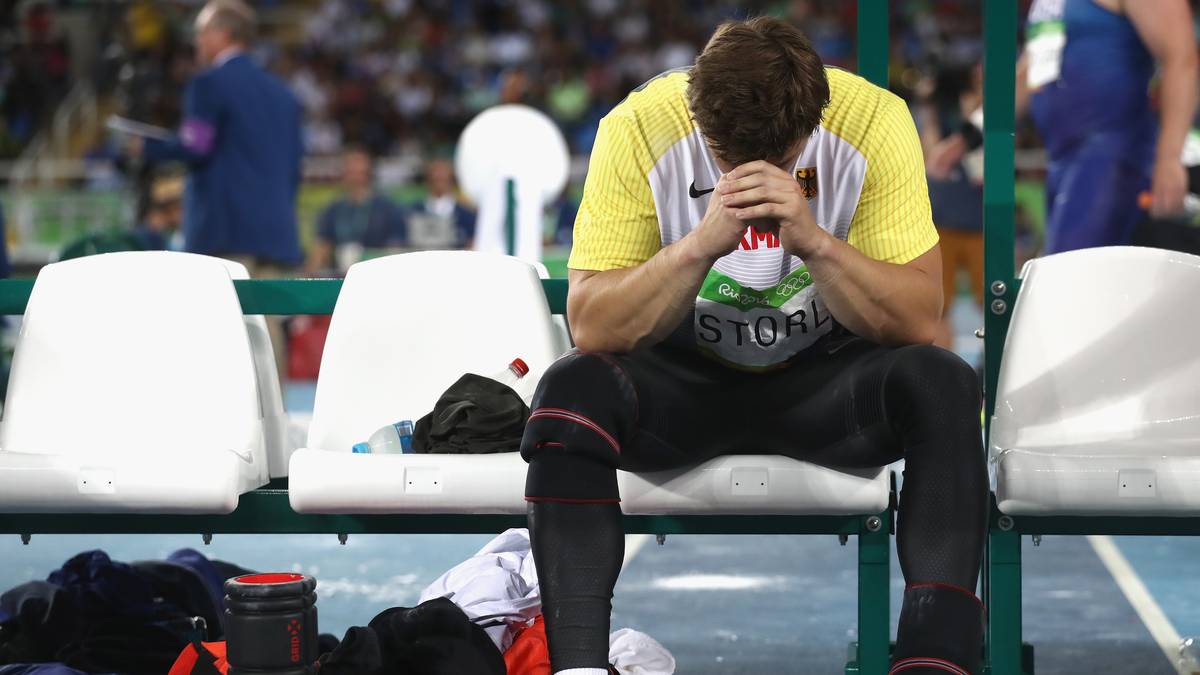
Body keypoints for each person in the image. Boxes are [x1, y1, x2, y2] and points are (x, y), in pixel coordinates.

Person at [520, 17, 987, 675]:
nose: (748, 176)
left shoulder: (873, 121)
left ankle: (933, 663)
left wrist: (815, 241)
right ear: (696, 114)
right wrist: (698, 247)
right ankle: (579, 668)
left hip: (823, 383)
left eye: (781, 159)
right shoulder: (639, 126)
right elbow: (593, 325)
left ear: (815, 120)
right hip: (685, 385)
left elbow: (917, 317)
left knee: (945, 382)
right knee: (568, 395)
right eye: (725, 158)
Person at [131, 0, 303, 379]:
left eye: (201, 32)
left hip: (225, 229)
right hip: (274, 230)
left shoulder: (208, 83)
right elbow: (294, 168)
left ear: (222, 34)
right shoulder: (283, 94)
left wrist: (149, 147)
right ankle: (274, 413)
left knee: (220, 331)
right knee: (267, 329)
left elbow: (196, 147)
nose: (196, 41)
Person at [1023, 0, 1196, 252]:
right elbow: (1032, 65)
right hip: (1062, 158)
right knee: (1065, 264)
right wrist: (973, 130)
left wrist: (1170, 158)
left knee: (1072, 267)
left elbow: (1181, 57)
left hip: (1114, 155)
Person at [918, 65, 985, 352]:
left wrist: (975, 103)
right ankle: (943, 367)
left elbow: (980, 135)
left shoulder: (984, 120)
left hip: (981, 226)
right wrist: (929, 106)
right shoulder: (941, 118)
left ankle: (999, 365)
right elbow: (931, 159)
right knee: (938, 307)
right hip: (943, 225)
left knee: (993, 302)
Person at [305, 146, 407, 275]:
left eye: (359, 172)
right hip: (340, 275)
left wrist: (365, 258)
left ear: (369, 173)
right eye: (351, 172)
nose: (355, 178)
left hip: (377, 273)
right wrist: (309, 273)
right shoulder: (333, 210)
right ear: (344, 174)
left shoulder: (388, 209)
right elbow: (321, 246)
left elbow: (395, 251)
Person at [405, 158, 475, 250]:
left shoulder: (467, 215)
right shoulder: (413, 211)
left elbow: (472, 243)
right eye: (435, 179)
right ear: (428, 180)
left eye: (443, 179)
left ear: (452, 180)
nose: (439, 183)